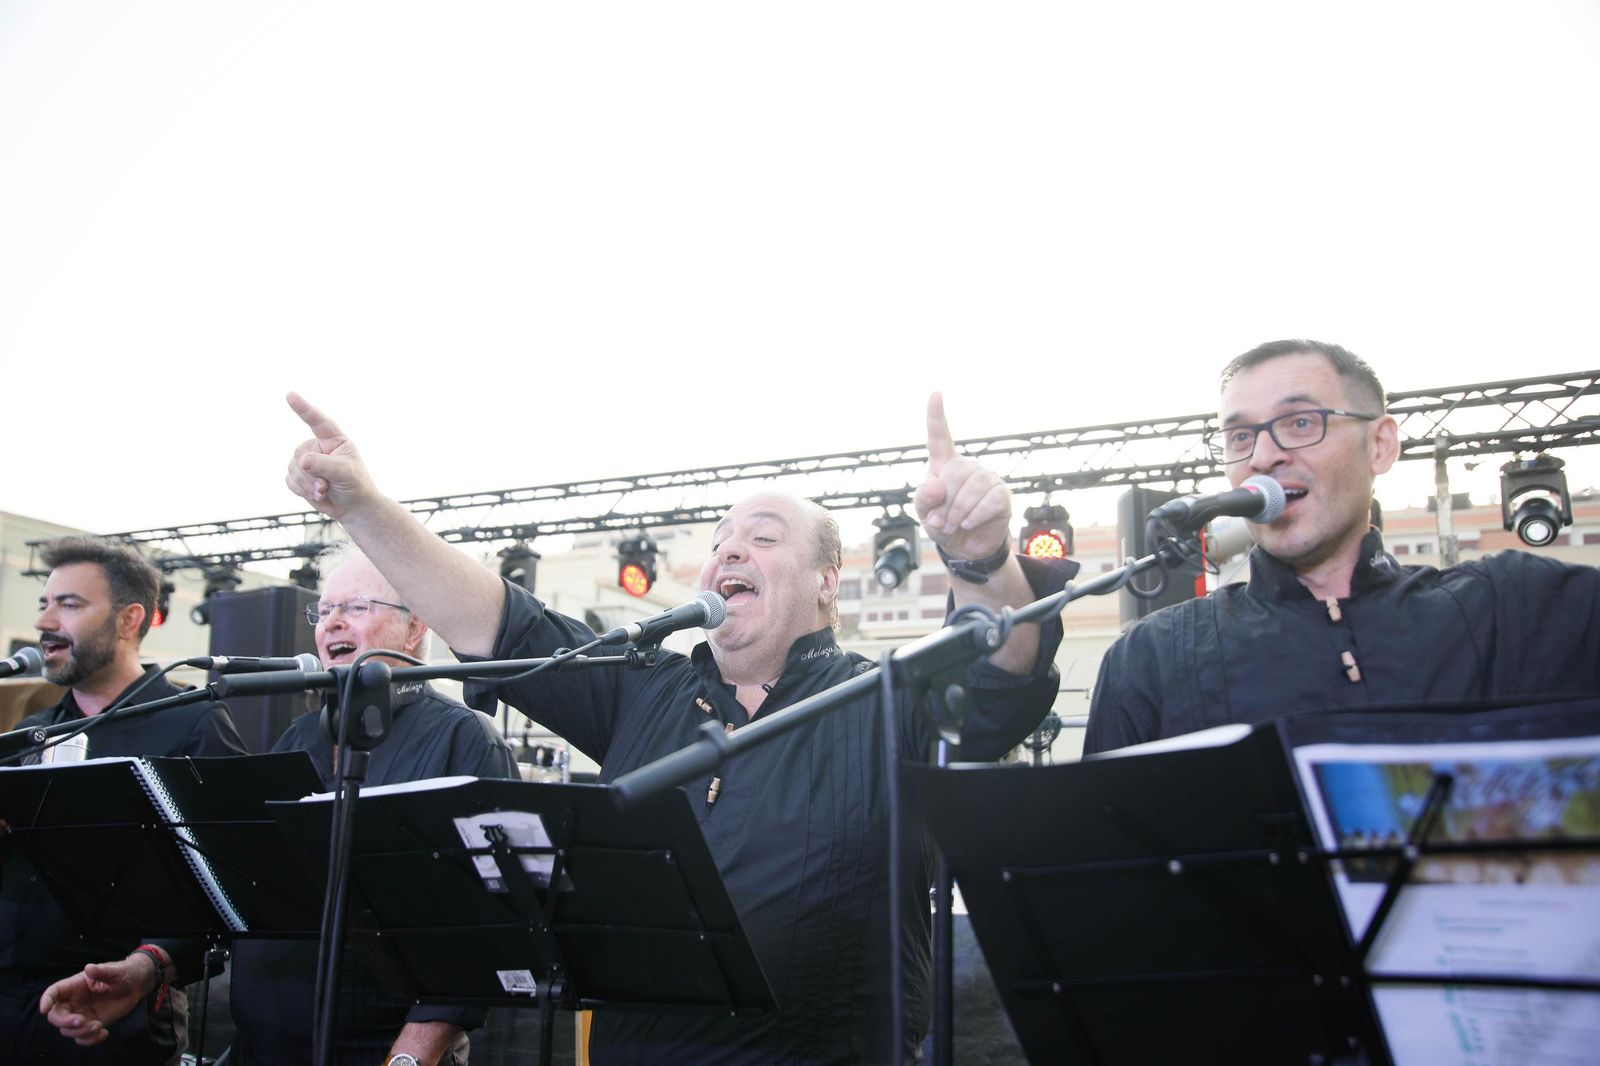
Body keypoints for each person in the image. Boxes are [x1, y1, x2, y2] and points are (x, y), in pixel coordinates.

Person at [273, 390, 1070, 1064]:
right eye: (720, 541)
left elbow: (1002, 676)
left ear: (828, 583)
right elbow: (500, 624)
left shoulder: (881, 699)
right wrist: (364, 509)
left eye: (762, 538)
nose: (730, 551)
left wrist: (979, 561)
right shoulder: (642, 690)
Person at [40, 552, 521, 1065]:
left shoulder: (462, 739)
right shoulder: (299, 736)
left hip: (382, 1048)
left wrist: (411, 1056)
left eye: (356, 607)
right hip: (261, 1044)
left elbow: (490, 925)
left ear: (414, 628)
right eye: (325, 610)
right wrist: (145, 969)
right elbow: (236, 888)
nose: (332, 621)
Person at [1085, 339, 1600, 753]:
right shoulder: (1149, 658)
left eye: (1300, 423)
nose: (1263, 455)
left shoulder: (1516, 608)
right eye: (1240, 436)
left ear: (1380, 444)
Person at [1, 536, 248, 1064]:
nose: (45, 623)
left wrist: (149, 966)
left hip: (112, 1009)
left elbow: (234, 879)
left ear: (129, 619)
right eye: (45, 604)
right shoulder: (31, 734)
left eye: (69, 605)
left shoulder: (193, 722)